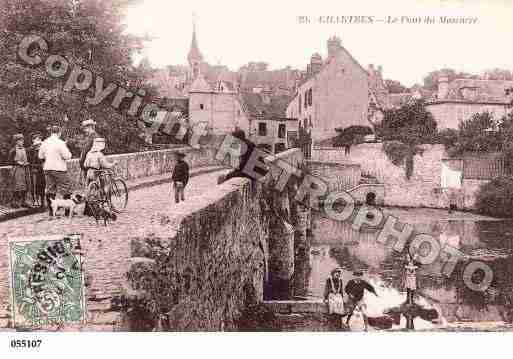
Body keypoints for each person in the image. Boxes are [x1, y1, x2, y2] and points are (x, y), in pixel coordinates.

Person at [39, 125, 73, 217]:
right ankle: (67, 211)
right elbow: (67, 156)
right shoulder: (60, 143)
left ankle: (51, 211)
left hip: (48, 168)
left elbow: (40, 156)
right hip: (59, 168)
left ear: (51, 132)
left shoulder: (45, 142)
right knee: (66, 188)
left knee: (50, 189)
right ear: (59, 133)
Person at [8, 134, 30, 208]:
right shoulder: (13, 150)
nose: (22, 142)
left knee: (25, 185)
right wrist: (17, 162)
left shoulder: (24, 149)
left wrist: (26, 163)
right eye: (20, 140)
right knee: (17, 186)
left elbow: (27, 158)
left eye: (22, 140)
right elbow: (10, 161)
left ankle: (24, 201)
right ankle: (14, 202)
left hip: (25, 169)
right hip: (17, 169)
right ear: (16, 142)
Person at [27, 132, 46, 209]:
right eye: (36, 139)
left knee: (42, 185)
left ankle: (42, 200)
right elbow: (29, 161)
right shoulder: (30, 150)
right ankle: (35, 200)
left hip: (42, 170)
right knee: (34, 185)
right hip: (34, 170)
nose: (38, 141)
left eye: (39, 139)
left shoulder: (43, 149)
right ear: (33, 140)